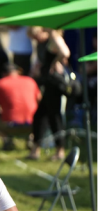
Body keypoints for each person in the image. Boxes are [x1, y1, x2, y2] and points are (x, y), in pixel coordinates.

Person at [28, 29, 71, 161]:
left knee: (53, 117)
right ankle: (36, 149)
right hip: (50, 83)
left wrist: (54, 64)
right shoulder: (50, 37)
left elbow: (65, 52)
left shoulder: (53, 34)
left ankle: (59, 151)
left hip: (54, 84)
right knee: (41, 116)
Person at [0, 63, 41, 150]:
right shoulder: (30, 81)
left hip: (11, 125)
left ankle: (6, 139)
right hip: (34, 124)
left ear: (3, 74)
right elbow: (39, 101)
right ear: (18, 72)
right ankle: (31, 137)